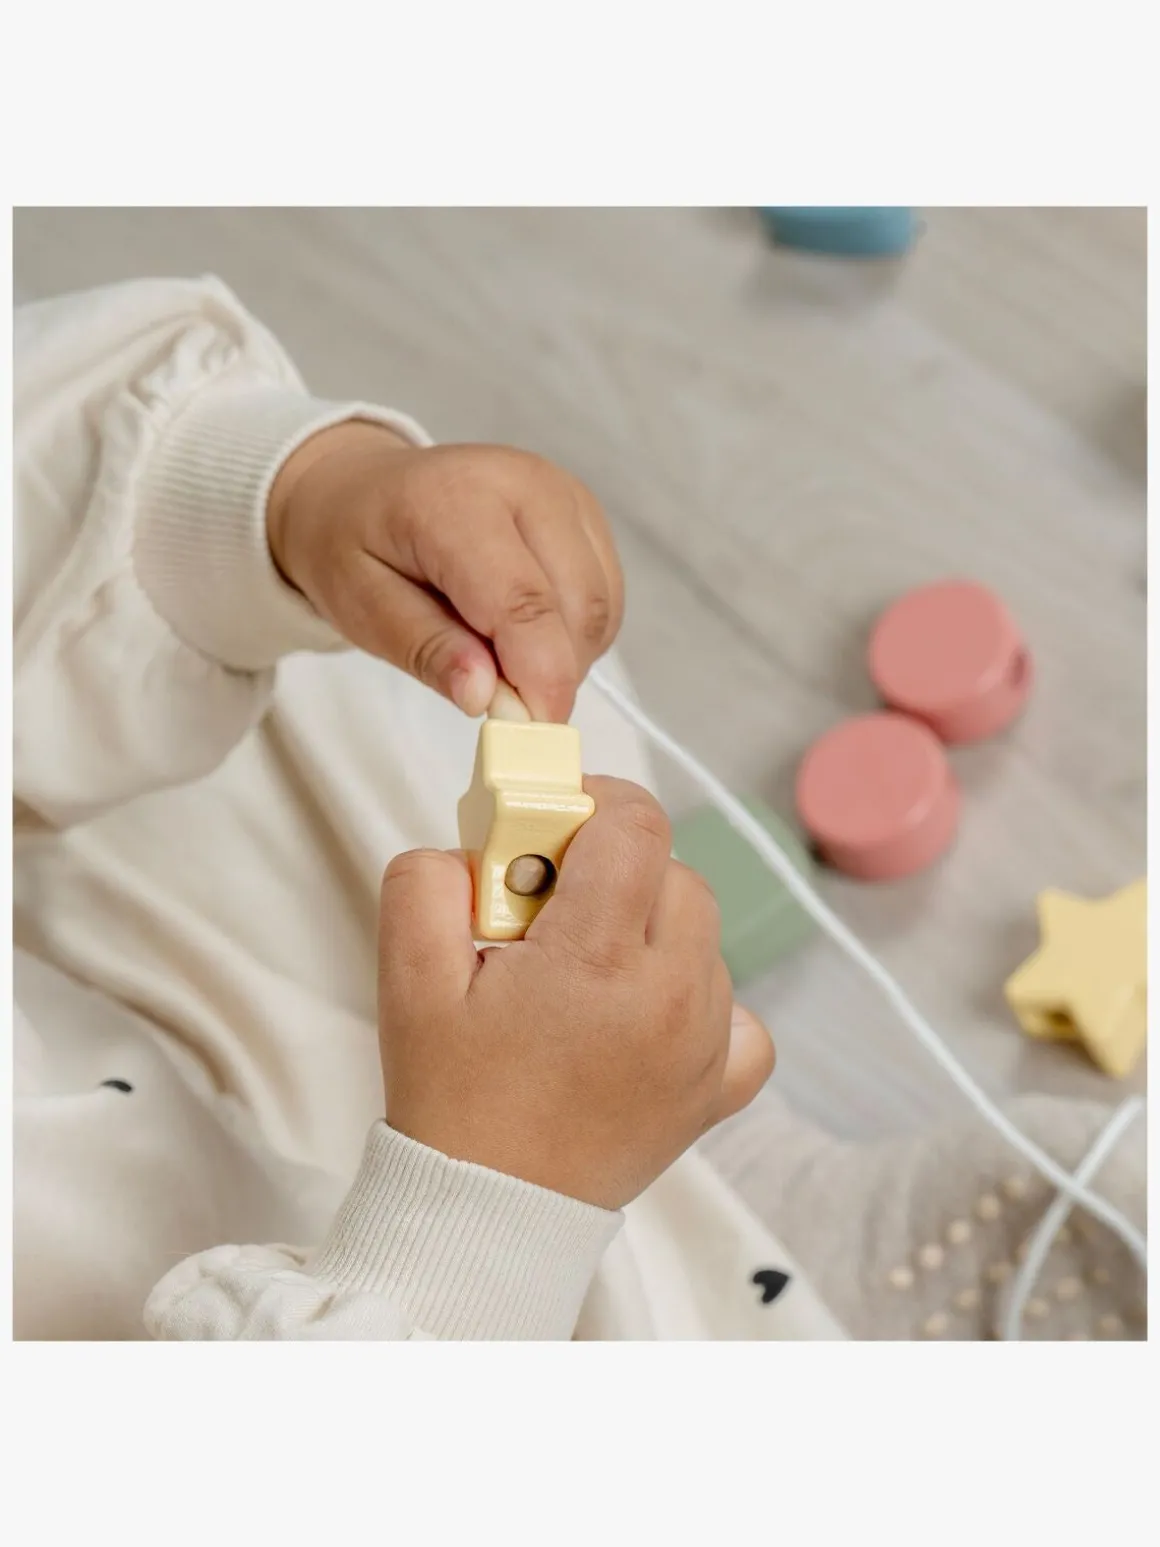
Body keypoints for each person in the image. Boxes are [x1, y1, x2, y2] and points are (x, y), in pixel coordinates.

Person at [13, 274, 843, 1340]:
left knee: (407, 707)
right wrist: (492, 1200)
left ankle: (697, 1157)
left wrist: (278, 500)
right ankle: (724, 1215)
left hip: (106, 963)